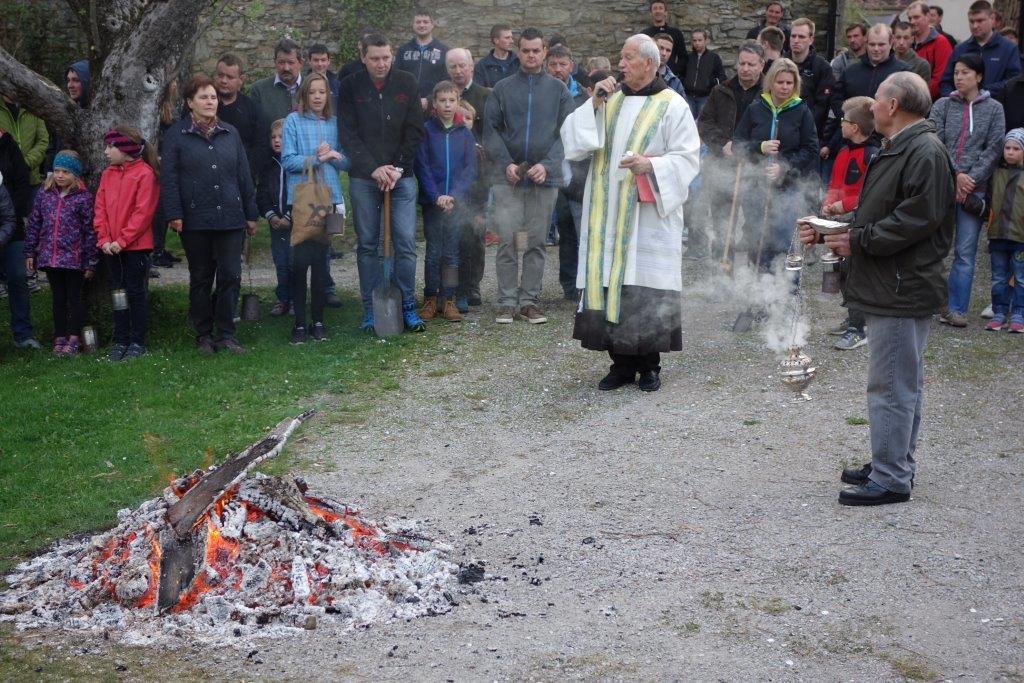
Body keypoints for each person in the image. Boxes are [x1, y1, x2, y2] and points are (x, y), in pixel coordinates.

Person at [798, 71, 955, 506]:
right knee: (901, 382)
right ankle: (892, 461)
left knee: (891, 385)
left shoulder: (923, 151)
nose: (871, 106)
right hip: (895, 281)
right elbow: (876, 212)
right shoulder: (900, 146)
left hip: (902, 285)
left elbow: (915, 219)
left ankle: (891, 477)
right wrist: (829, 229)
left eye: (878, 99)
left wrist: (858, 240)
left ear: (894, 105)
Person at [561, 34, 699, 392]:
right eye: (620, 57)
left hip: (646, 216)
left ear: (649, 64)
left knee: (645, 289)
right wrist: (594, 103)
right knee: (612, 285)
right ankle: (620, 365)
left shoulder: (673, 105)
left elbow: (687, 158)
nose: (619, 64)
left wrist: (650, 165)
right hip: (607, 214)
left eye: (627, 58)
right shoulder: (610, 99)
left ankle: (650, 367)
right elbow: (573, 142)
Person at [161, 74, 258, 355]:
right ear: (190, 102)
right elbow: (169, 179)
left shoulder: (230, 133)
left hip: (230, 217)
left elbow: (244, 175)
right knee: (201, 277)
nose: (210, 102)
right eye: (203, 97)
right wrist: (174, 213)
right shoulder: (176, 135)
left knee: (230, 276)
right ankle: (203, 334)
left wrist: (251, 213)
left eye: (213, 97)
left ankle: (226, 334)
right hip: (195, 219)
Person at [483, 27, 573, 326]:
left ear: (544, 52)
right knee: (507, 242)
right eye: (526, 50)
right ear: (518, 52)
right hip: (507, 178)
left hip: (543, 179)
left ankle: (529, 301)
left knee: (536, 242)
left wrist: (547, 165)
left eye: (536, 50)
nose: (531, 55)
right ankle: (507, 302)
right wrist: (505, 163)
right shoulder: (502, 89)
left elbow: (567, 133)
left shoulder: (559, 91)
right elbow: (490, 130)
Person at [338, 33, 426, 333]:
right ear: (363, 57)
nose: (381, 64)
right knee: (367, 244)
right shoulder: (350, 86)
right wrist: (373, 168)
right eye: (375, 58)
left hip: (401, 178)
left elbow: (414, 130)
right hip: (365, 178)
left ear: (392, 56)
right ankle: (370, 309)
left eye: (386, 57)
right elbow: (348, 133)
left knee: (405, 243)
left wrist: (397, 168)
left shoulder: (407, 83)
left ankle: (407, 305)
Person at [930, 53, 1005, 327]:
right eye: (956, 72)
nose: (959, 77)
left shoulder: (994, 109)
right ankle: (931, 303)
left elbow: (994, 147)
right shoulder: (942, 104)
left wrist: (970, 179)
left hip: (974, 191)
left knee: (965, 252)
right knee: (934, 248)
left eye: (965, 72)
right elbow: (935, 139)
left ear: (979, 76)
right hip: (943, 186)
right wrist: (957, 174)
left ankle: (957, 308)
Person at [733, 58, 818, 276]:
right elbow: (737, 145)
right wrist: (760, 147)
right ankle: (759, 289)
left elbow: (811, 149)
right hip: (756, 188)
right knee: (757, 242)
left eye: (789, 83)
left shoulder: (802, 111)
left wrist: (785, 167)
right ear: (771, 82)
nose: (785, 87)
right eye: (780, 82)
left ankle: (785, 291)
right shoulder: (755, 109)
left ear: (795, 84)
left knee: (784, 243)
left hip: (788, 189)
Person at [281, 73, 348, 344]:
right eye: (312, 92)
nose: (318, 97)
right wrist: (318, 158)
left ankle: (318, 321)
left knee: (322, 263)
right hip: (303, 201)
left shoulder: (335, 122)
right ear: (304, 95)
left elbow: (346, 161)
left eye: (322, 92)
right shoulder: (293, 121)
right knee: (299, 264)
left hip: (331, 199)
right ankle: (299, 323)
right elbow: (288, 161)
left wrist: (334, 156)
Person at [695, 41, 766, 262]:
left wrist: (749, 149)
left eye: (751, 64)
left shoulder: (769, 93)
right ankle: (723, 271)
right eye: (742, 63)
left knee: (755, 225)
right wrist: (723, 144)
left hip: (755, 167)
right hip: (722, 165)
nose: (745, 68)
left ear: (762, 65)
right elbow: (705, 123)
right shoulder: (720, 90)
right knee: (722, 225)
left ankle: (755, 274)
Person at [94, 128, 160, 360]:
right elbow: (100, 208)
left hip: (135, 247)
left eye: (110, 146)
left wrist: (122, 241)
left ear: (124, 149)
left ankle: (137, 341)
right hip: (111, 246)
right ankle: (121, 339)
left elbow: (143, 214)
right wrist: (104, 238)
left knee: (135, 292)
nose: (106, 151)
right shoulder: (107, 174)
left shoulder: (145, 174)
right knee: (118, 292)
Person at [413, 80, 477, 323]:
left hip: (455, 203)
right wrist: (435, 195)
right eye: (442, 100)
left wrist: (454, 195)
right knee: (433, 252)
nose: (447, 105)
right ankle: (430, 297)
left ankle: (448, 298)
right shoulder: (426, 131)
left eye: (452, 100)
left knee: (451, 253)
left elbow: (469, 169)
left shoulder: (465, 134)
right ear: (434, 104)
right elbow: (422, 166)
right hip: (433, 203)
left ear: (458, 102)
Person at [22, 151, 95, 356]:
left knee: (74, 298)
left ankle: (74, 337)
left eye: (66, 172)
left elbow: (90, 231)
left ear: (75, 174)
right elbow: (34, 223)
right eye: (56, 171)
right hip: (50, 257)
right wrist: (30, 251)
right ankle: (59, 336)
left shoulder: (83, 198)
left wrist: (91, 261)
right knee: (58, 299)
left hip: (74, 259)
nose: (60, 175)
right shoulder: (44, 194)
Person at [821, 96, 879, 351]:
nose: (840, 124)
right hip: (840, 221)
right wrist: (828, 203)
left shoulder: (872, 155)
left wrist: (842, 205)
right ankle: (853, 317)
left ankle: (860, 328)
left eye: (843, 120)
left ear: (854, 127)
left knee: (856, 274)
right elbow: (835, 184)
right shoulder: (844, 152)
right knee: (843, 271)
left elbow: (870, 193)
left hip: (861, 223)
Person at [822, 24, 909, 160]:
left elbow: (907, 107)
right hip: (851, 142)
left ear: (891, 42)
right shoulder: (851, 71)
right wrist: (849, 120)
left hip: (886, 143)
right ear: (866, 43)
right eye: (872, 44)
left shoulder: (903, 73)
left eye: (881, 44)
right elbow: (836, 99)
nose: (876, 49)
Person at [546, 46, 590, 300]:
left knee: (580, 231)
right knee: (563, 231)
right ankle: (568, 284)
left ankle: (584, 284)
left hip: (577, 175)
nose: (558, 69)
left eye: (562, 64)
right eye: (553, 64)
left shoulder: (584, 98)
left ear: (571, 66)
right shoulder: (541, 94)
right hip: (548, 171)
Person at [0, 128, 38, 350]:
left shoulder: (8, 145)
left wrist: (11, 217)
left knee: (17, 276)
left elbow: (22, 182)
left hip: (11, 226)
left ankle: (23, 334)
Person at [983, 128, 1024, 332]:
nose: (1010, 152)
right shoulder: (996, 173)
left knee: (1020, 276)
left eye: (1016, 148)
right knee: (998, 276)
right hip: (997, 234)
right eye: (1007, 148)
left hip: (1020, 237)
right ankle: (999, 311)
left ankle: (1019, 313)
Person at [938, 0, 1021, 98]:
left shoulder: (1009, 48)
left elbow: (1014, 81)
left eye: (980, 21)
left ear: (992, 18)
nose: (975, 26)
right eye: (971, 21)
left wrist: (984, 93)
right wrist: (953, 99)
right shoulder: (960, 49)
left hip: (997, 104)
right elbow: (945, 82)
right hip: (963, 106)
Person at [215, 53, 269, 180]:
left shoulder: (252, 109)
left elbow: (261, 145)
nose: (224, 81)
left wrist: (246, 171)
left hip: (240, 177)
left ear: (241, 79)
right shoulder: (201, 105)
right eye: (220, 75)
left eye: (230, 77)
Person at [257, 119, 292, 317]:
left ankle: (295, 299)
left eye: (281, 137)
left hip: (294, 222)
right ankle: (282, 299)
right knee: (280, 261)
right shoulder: (268, 165)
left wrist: (288, 216)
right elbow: (261, 193)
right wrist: (270, 216)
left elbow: (299, 192)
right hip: (275, 223)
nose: (277, 140)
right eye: (273, 137)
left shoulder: (294, 163)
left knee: (294, 262)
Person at [789, 18, 835, 146]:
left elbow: (822, 106)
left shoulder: (822, 68)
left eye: (801, 36)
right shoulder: (780, 64)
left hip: (809, 134)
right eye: (793, 36)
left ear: (811, 39)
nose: (796, 40)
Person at [151, 78, 182, 269]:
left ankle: (160, 248)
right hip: (155, 161)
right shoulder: (155, 107)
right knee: (157, 208)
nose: (175, 85)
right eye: (172, 81)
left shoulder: (170, 106)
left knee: (163, 206)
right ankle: (155, 250)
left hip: (166, 161)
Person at [395, 8, 450, 107]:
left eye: (425, 22)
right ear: (413, 24)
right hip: (406, 104)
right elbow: (396, 76)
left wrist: (429, 100)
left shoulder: (444, 51)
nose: (421, 25)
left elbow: (446, 80)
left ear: (432, 24)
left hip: (434, 105)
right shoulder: (402, 50)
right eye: (418, 22)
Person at [0, 94, 48, 202]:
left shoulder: (33, 108)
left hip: (31, 180)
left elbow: (43, 140)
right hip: (4, 182)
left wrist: (25, 164)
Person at [250, 39, 304, 126]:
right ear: (275, 62)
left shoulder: (313, 88)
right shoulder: (259, 90)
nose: (286, 68)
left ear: (301, 63)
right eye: (281, 62)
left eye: (291, 62)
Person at [907, 1, 953, 100]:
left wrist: (917, 99)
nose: (912, 22)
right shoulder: (907, 43)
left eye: (916, 17)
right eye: (910, 18)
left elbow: (940, 78)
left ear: (927, 16)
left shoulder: (941, 42)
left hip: (931, 101)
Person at [446, 48, 489, 139]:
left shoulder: (487, 96)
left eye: (462, 65)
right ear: (447, 70)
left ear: (471, 66)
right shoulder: (440, 97)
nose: (458, 71)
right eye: (453, 67)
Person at [682, 29, 726, 118]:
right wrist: (685, 82)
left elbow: (722, 76)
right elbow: (681, 73)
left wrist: (710, 83)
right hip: (688, 96)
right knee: (688, 120)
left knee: (702, 121)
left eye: (700, 40)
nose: (697, 43)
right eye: (694, 40)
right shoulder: (688, 57)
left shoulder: (714, 58)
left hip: (704, 97)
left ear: (706, 41)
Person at [641, 0, 688, 76]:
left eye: (660, 8)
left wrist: (674, 71)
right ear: (651, 13)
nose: (658, 11)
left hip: (669, 76)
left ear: (666, 12)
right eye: (655, 8)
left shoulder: (676, 33)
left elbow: (683, 57)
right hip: (649, 76)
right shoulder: (644, 34)